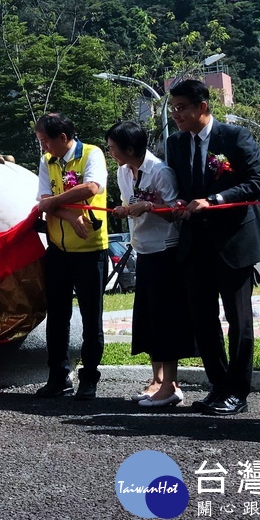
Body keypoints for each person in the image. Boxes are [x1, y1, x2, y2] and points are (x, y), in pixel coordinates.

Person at [165, 79, 260, 416]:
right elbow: (181, 186)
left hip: (233, 242)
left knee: (239, 320)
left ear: (203, 107)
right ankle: (218, 385)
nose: (176, 114)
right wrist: (180, 202)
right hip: (195, 245)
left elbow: (257, 183)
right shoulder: (176, 144)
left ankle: (238, 391)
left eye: (182, 107)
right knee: (203, 319)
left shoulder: (234, 137)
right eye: (173, 108)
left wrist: (215, 199)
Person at [105, 121, 194, 408]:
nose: (111, 153)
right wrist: (125, 209)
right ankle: (156, 380)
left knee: (166, 320)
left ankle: (171, 386)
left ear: (130, 148)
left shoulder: (160, 172)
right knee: (149, 320)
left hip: (165, 253)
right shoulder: (122, 172)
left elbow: (176, 214)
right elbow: (127, 203)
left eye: (113, 148)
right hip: (143, 250)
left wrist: (150, 207)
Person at [34, 113, 108, 400]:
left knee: (92, 317)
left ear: (62, 138)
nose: (44, 147)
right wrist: (64, 211)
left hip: (90, 249)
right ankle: (58, 376)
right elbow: (43, 202)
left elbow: (92, 187)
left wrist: (53, 202)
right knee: (57, 316)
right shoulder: (47, 162)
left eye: (45, 141)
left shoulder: (92, 153)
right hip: (58, 249)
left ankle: (89, 378)